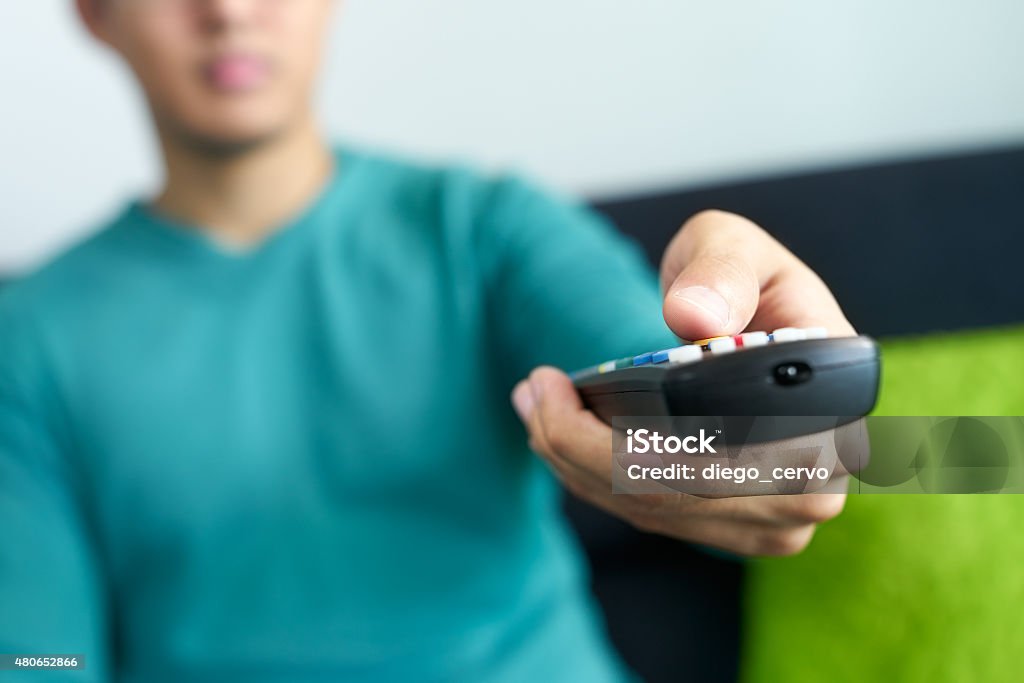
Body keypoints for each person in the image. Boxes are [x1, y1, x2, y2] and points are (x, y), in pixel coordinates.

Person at [0, 1, 853, 680]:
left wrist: (775, 405)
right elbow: (38, 657)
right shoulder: (28, 338)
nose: (227, 9)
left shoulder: (484, 230)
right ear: (93, 12)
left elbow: (712, 428)